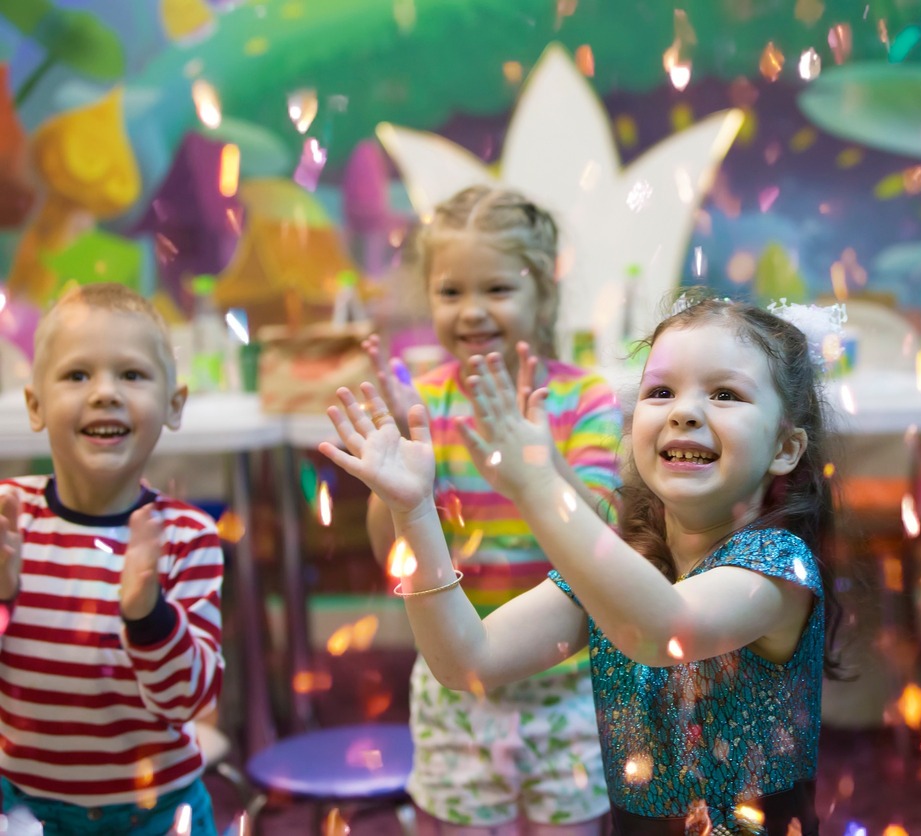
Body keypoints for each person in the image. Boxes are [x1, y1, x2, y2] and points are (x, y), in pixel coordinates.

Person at [325, 295, 851, 836]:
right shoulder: (624, 569)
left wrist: (538, 487)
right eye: (661, 391)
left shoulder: (778, 567)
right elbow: (464, 662)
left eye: (725, 393)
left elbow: (660, 632)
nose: (684, 411)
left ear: (786, 448)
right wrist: (413, 513)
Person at [363, 185, 623, 836]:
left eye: (497, 290)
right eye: (451, 292)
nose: (472, 312)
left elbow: (607, 538)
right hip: (459, 688)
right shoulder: (424, 403)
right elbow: (390, 560)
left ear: (543, 296)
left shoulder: (584, 397)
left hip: (569, 682)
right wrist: (391, 475)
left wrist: (542, 466)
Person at [0, 284, 224, 835]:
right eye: (78, 375)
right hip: (27, 812)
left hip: (159, 814)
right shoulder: (10, 518)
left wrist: (148, 615)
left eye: (131, 375)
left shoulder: (187, 537)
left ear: (174, 405)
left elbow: (189, 700)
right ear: (35, 404)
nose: (105, 393)